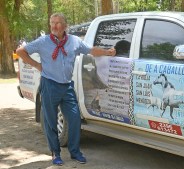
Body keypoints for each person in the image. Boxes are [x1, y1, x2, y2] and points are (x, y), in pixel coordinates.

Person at [16, 13, 116, 166]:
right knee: (51, 121)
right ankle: (55, 153)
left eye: (58, 23)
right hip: (49, 85)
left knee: (75, 119)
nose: (55, 26)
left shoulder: (74, 41)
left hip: (67, 86)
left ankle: (75, 152)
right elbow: (21, 51)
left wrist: (107, 52)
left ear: (65, 26)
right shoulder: (43, 41)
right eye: (52, 23)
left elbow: (91, 50)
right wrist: (37, 65)